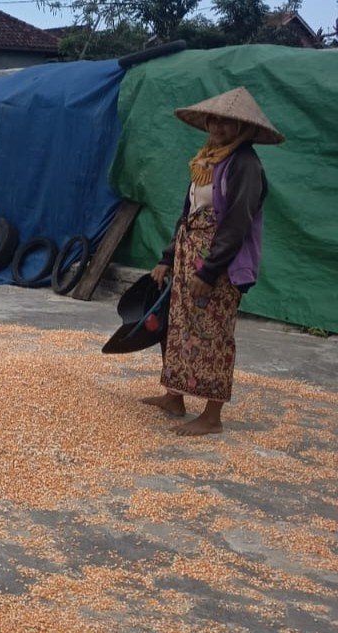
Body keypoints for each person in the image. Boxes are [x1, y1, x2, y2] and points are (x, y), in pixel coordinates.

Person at [141, 87, 283, 436]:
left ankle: (212, 415)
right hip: (189, 254)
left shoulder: (244, 164)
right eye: (214, 119)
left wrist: (210, 269)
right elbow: (188, 212)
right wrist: (167, 257)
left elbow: (237, 223)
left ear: (243, 128)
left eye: (227, 121)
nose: (217, 126)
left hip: (218, 263)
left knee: (212, 333)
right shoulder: (208, 159)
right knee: (181, 327)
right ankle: (175, 396)